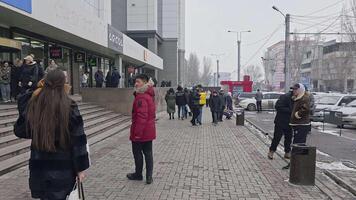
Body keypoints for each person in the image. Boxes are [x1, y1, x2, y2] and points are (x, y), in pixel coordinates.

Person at [14, 69, 90, 200]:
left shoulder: (36, 104)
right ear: (63, 83)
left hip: (40, 169)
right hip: (63, 169)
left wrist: (27, 101)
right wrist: (81, 168)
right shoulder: (69, 105)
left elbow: (21, 131)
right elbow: (78, 140)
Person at [127, 74, 156, 184]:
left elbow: (141, 117)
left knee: (137, 153)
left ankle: (138, 174)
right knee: (148, 153)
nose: (136, 84)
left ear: (144, 82)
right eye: (135, 81)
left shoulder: (141, 97)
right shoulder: (149, 94)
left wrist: (137, 134)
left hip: (141, 132)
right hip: (149, 131)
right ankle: (149, 177)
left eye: (138, 81)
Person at [268, 89, 294, 160]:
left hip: (290, 122)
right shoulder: (285, 97)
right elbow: (278, 107)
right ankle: (271, 151)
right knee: (277, 137)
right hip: (281, 121)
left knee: (288, 138)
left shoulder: (297, 98)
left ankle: (287, 152)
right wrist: (291, 110)